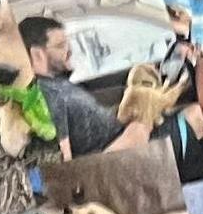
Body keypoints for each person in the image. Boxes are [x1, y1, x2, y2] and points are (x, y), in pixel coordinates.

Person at [21, 17, 152, 159]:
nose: (69, 50)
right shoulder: (47, 97)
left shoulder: (59, 83)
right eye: (60, 45)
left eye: (67, 43)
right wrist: (139, 130)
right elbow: (73, 165)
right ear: (38, 55)